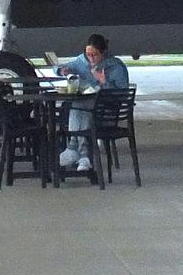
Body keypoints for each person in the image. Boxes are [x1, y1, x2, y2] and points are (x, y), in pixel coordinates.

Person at [53, 34, 129, 173]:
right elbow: (58, 67)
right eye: (88, 54)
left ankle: (74, 148)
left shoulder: (116, 67)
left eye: (95, 55)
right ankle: (83, 156)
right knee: (80, 106)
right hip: (88, 112)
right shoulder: (82, 62)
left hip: (106, 113)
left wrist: (104, 83)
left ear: (103, 53)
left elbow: (122, 95)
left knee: (80, 107)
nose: (91, 58)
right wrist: (62, 70)